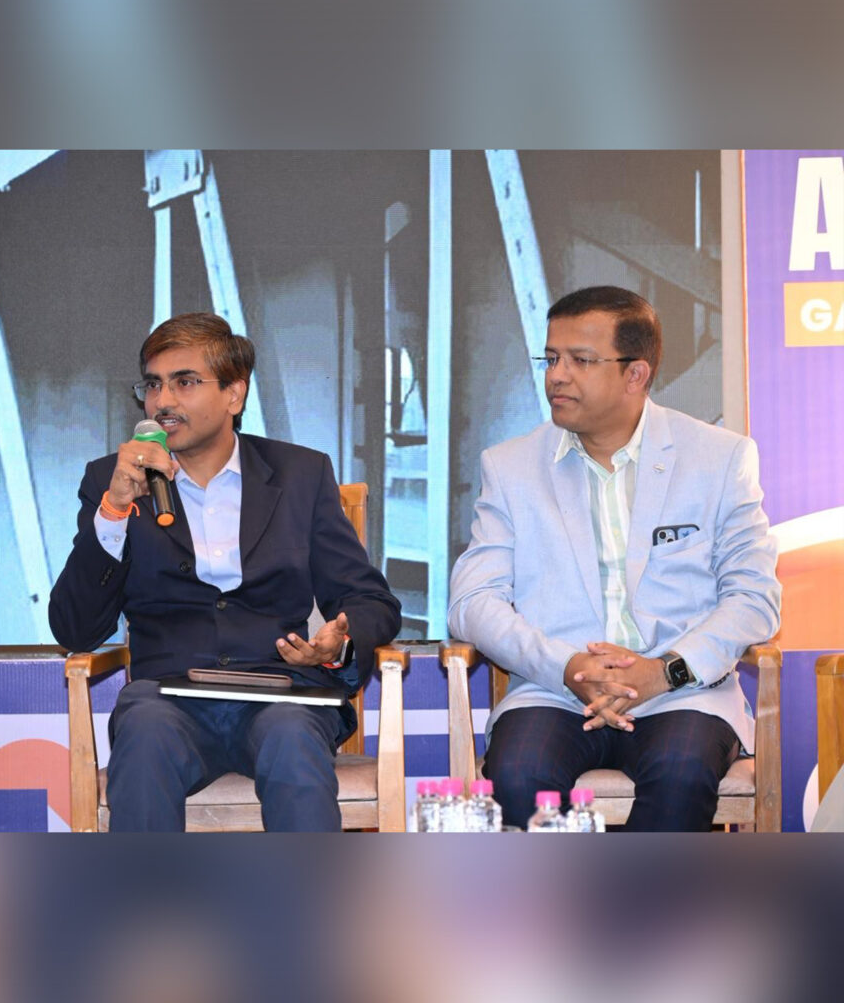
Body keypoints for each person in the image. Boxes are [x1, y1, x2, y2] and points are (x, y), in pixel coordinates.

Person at [49, 312, 401, 831]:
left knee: (292, 740)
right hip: (168, 698)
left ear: (234, 394)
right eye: (153, 385)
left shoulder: (301, 474)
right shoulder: (112, 480)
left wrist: (339, 643)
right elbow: (75, 629)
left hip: (281, 692)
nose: (163, 401)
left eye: (185, 382)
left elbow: (370, 600)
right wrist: (114, 510)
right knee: (144, 734)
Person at [448, 286, 780, 831]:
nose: (556, 376)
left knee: (681, 772)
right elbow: (472, 602)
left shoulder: (719, 458)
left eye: (580, 360)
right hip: (556, 690)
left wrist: (665, 671)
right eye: (551, 358)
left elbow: (754, 597)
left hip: (681, 692)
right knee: (520, 772)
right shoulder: (510, 467)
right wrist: (567, 666)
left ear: (636, 375)